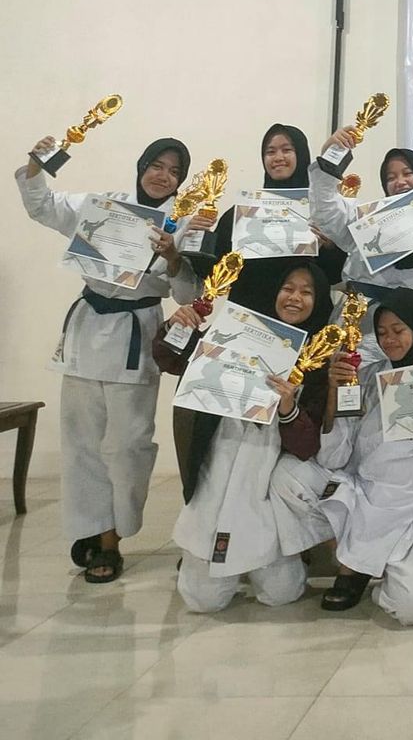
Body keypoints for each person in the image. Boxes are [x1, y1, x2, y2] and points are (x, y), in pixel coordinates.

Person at [17, 134, 191, 584]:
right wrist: (37, 165)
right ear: (142, 166)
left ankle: (114, 532)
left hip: (136, 331)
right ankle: (97, 532)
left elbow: (187, 294)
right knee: (82, 441)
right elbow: (43, 206)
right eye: (157, 165)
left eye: (174, 171)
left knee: (128, 444)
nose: (163, 176)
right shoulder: (105, 206)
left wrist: (173, 257)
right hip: (88, 324)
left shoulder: (183, 222)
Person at [270, 288, 413, 620]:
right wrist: (335, 393)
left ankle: (376, 567)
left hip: (410, 508)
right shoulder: (366, 375)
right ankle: (349, 561)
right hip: (359, 493)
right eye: (381, 332)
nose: (389, 340)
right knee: (287, 476)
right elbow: (333, 458)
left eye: (398, 330)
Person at [156, 258, 334, 613]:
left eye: (306, 292)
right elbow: (170, 360)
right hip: (217, 469)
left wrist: (288, 408)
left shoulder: (317, 361)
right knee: (202, 600)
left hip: (263, 485)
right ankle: (207, 553)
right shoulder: (237, 332)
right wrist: (175, 326)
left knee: (281, 593)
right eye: (287, 289)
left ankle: (269, 555)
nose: (295, 298)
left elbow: (307, 445)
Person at [307, 137, 413, 332]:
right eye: (391, 178)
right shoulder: (366, 220)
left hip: (406, 329)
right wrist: (330, 154)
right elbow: (326, 211)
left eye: (408, 173)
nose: (400, 182)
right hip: (358, 322)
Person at [182, 123, 346, 303]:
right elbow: (212, 271)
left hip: (304, 314)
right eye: (270, 152)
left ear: (301, 154)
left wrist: (330, 247)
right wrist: (196, 237)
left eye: (287, 150)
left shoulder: (321, 210)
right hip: (249, 312)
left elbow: (335, 276)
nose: (278, 157)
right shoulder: (243, 213)